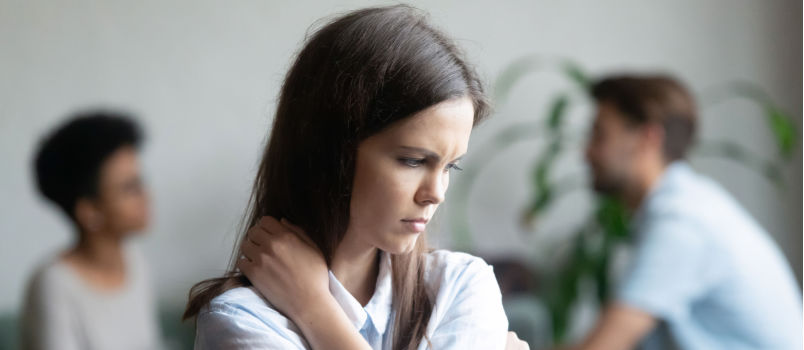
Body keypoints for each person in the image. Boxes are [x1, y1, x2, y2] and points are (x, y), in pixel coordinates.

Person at [183, 5, 528, 350]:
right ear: (331, 151)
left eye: (451, 166)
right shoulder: (241, 321)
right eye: (412, 160)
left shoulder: (461, 285)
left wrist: (316, 310)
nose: (435, 193)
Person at [565, 75, 802, 349]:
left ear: (648, 138)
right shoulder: (686, 204)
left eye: (600, 135)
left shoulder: (682, 223)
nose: (586, 152)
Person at [22, 111, 162, 350]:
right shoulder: (53, 285)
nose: (145, 195)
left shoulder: (136, 265)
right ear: (89, 211)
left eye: (140, 181)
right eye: (129, 188)